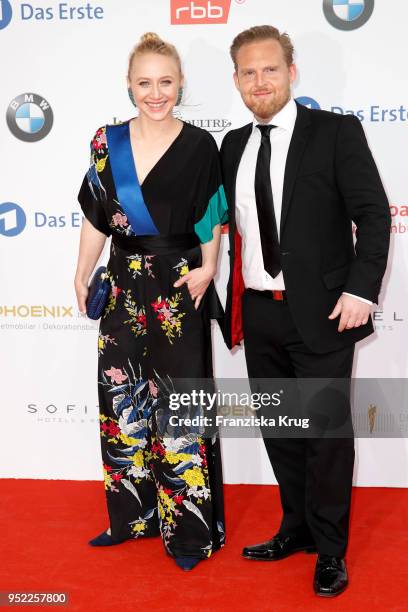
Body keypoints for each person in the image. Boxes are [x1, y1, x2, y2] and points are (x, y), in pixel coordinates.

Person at [221, 25, 390, 596]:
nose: (259, 81)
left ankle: (332, 549)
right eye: (248, 72)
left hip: (323, 312)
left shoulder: (336, 133)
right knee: (280, 430)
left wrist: (362, 289)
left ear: (291, 74)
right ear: (237, 81)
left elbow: (372, 214)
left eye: (270, 69)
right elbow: (224, 227)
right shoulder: (232, 146)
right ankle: (296, 528)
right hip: (259, 312)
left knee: (326, 437)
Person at [74, 32, 228, 572]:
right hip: (121, 281)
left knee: (180, 403)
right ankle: (132, 517)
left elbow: (210, 213)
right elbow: (97, 214)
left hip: (178, 283)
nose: (155, 93)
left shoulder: (200, 145)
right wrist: (81, 271)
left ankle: (189, 533)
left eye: (165, 82)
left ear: (181, 83)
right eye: (145, 83)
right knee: (122, 398)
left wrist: (210, 266)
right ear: (129, 86)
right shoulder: (105, 141)